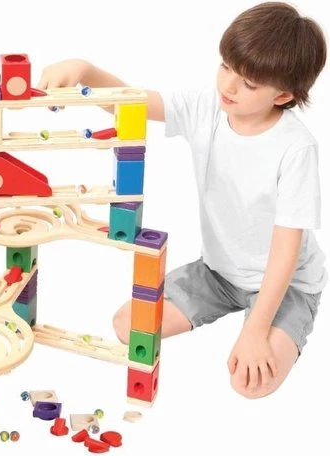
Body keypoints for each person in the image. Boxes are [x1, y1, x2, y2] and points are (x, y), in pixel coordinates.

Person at [37, 1, 327, 399]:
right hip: (219, 274)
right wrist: (85, 70)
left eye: (249, 83)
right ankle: (226, 310)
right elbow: (133, 102)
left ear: (283, 95)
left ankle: (269, 322)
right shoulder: (207, 106)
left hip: (287, 284)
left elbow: (285, 250)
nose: (228, 86)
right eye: (226, 66)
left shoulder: (295, 148)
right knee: (127, 326)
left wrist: (257, 330)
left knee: (250, 384)